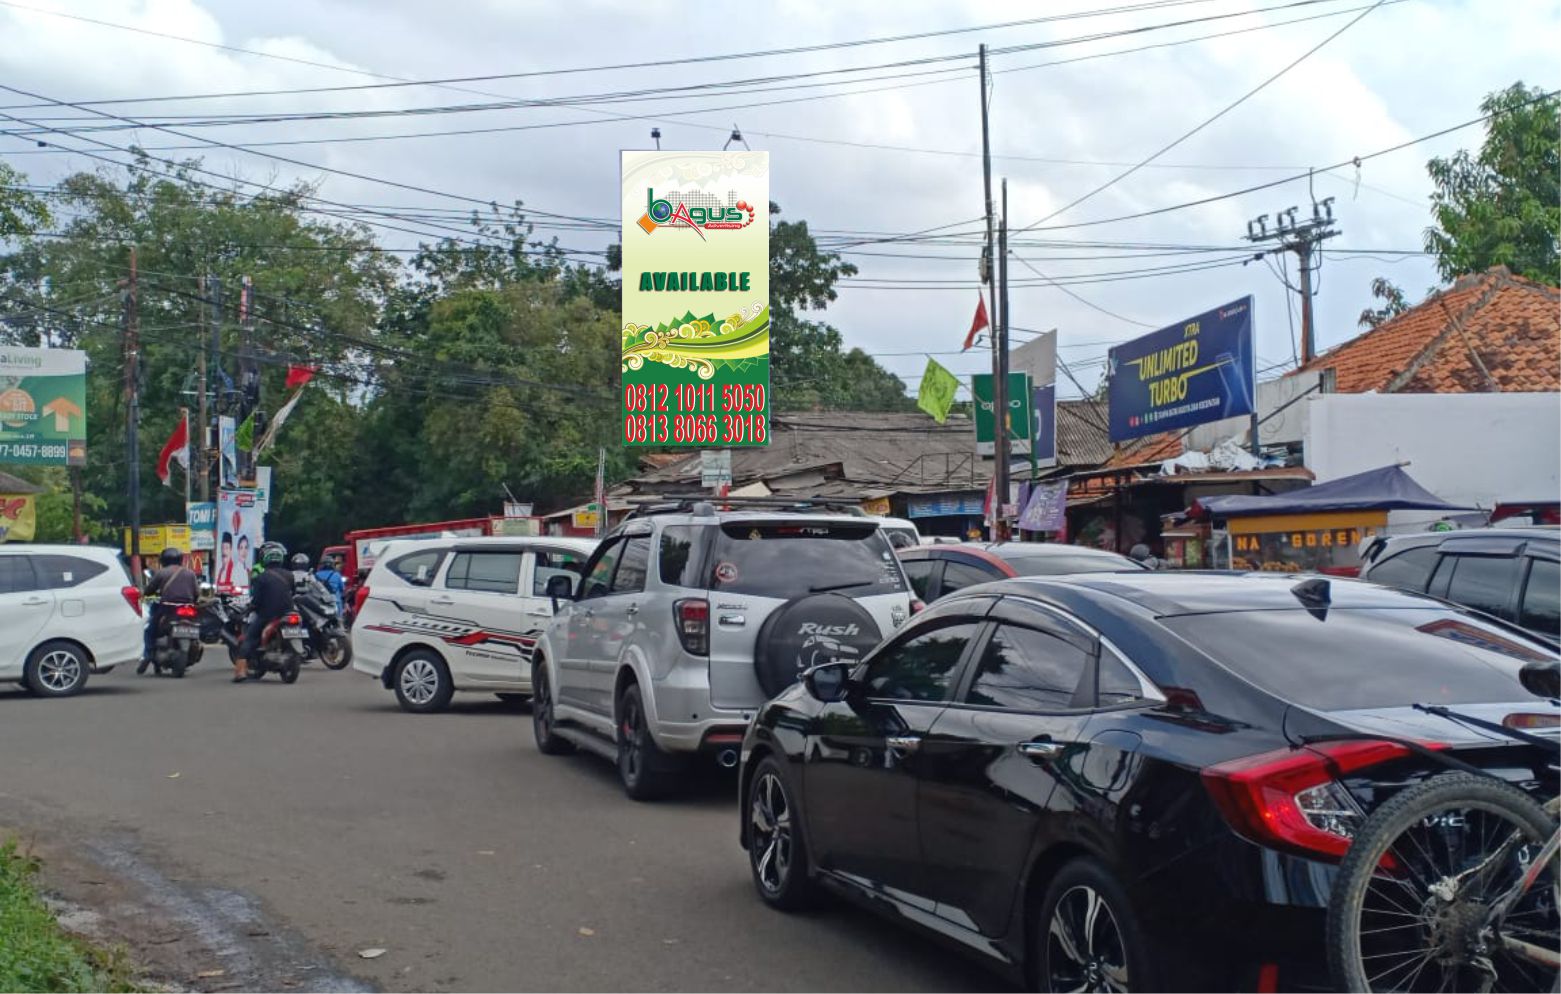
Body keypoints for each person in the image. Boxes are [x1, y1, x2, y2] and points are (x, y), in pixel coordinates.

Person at [235, 542, 295, 682]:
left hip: (268, 615)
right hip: (288, 612)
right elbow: (293, 593)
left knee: (249, 638)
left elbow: (256, 600)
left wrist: (249, 608)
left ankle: (241, 672)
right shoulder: (289, 575)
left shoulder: (261, 578)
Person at [140, 547, 200, 674]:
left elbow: (148, 590)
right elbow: (197, 593)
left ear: (164, 560)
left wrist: (147, 593)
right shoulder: (190, 573)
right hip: (188, 608)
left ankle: (148, 654)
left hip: (168, 609)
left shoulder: (162, 573)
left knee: (149, 630)